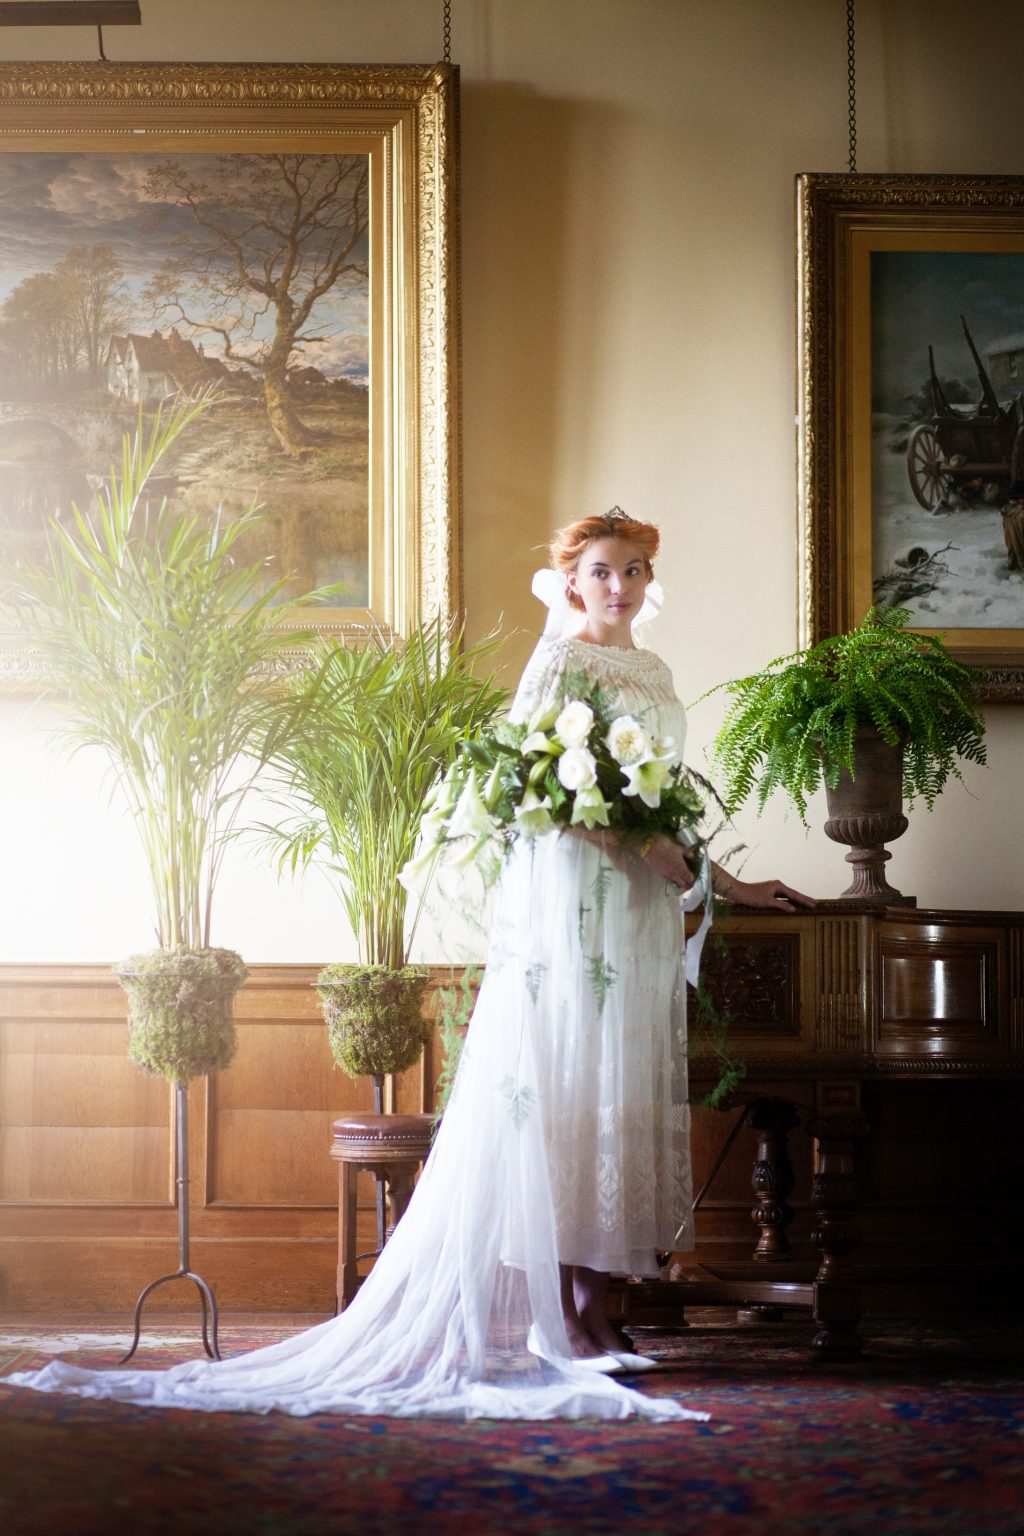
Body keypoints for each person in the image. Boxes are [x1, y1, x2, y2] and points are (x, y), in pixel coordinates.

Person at [4, 510, 812, 1423]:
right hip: (573, 903)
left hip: (637, 911)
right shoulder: (559, 664)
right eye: (601, 569)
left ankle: (599, 1306)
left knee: (619, 1097)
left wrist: (725, 878)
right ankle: (564, 1321)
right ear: (573, 579)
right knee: (566, 1092)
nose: (618, 585)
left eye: (634, 569)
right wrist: (636, 840)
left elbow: (664, 802)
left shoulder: (655, 672)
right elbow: (530, 791)